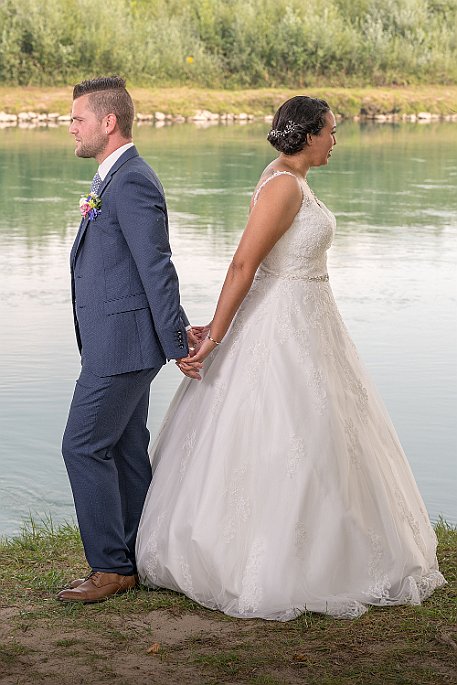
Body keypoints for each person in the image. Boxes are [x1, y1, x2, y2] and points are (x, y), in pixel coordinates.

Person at [135, 95, 446, 620]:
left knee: (329, 433)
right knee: (285, 430)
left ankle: (333, 545)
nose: (335, 139)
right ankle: (263, 558)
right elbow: (243, 265)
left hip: (312, 320)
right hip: (282, 324)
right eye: (330, 130)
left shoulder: (292, 180)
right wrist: (213, 338)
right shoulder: (282, 187)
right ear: (306, 134)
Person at [58, 76, 197, 603]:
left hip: (123, 345)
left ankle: (111, 567)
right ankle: (141, 551)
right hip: (117, 340)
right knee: (125, 446)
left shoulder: (133, 180)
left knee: (82, 445)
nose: (71, 126)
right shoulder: (113, 178)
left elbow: (156, 266)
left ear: (108, 122)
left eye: (78, 118)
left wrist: (177, 340)